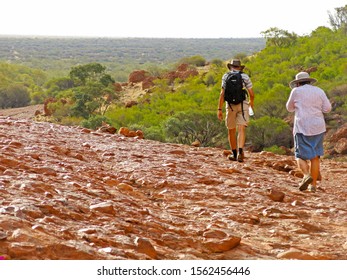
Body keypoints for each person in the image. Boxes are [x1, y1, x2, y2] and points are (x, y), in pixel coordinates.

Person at [286, 72, 332, 192]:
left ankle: (306, 175)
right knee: (315, 156)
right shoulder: (319, 91)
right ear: (309, 81)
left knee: (299, 155)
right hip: (318, 126)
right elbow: (327, 109)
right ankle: (314, 186)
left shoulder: (295, 91)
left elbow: (289, 108)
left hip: (302, 126)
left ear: (298, 83)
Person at [217, 59, 254, 162]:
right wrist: (251, 102)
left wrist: (219, 109)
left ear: (231, 67)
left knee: (231, 130)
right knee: (241, 128)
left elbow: (222, 94)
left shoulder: (226, 76)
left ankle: (234, 153)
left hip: (230, 106)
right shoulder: (244, 76)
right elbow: (251, 93)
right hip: (242, 104)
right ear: (239, 67)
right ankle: (241, 152)